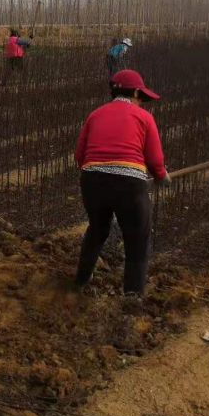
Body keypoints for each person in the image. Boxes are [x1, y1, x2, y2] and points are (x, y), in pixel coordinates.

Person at [74, 69, 170, 296]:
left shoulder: (95, 114)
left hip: (91, 180)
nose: (141, 102)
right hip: (129, 184)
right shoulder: (144, 117)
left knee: (98, 228)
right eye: (141, 97)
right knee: (137, 238)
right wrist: (162, 176)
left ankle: (81, 279)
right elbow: (155, 159)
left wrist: (102, 172)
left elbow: (80, 156)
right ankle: (132, 297)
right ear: (136, 91)